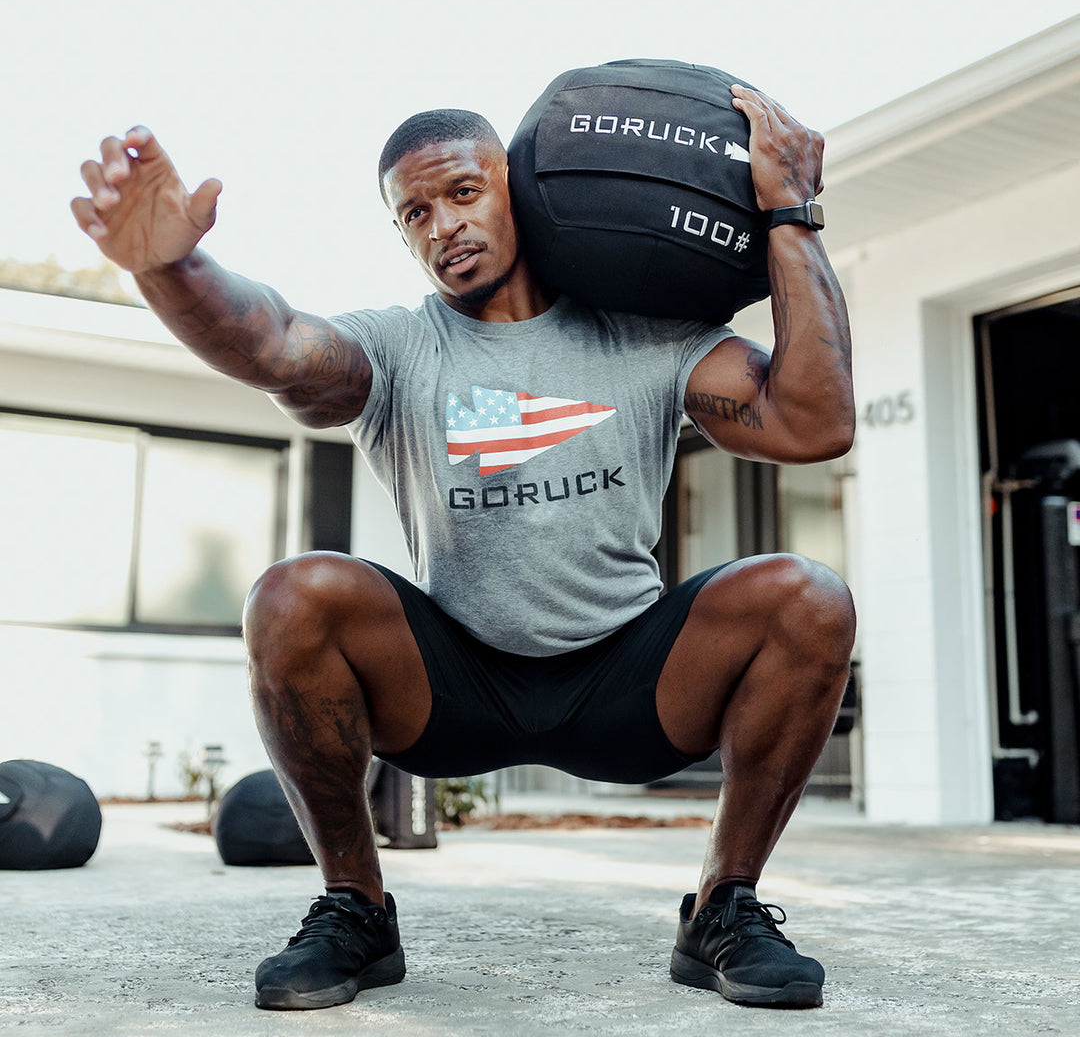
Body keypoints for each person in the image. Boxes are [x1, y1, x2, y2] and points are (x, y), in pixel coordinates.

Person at [71, 82, 856, 1012]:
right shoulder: (399, 349)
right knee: (293, 593)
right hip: (455, 691)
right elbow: (276, 344)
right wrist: (170, 268)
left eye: (462, 192)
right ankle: (356, 907)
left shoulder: (647, 335)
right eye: (415, 212)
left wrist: (790, 214)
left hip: (627, 689)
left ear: (519, 188)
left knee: (808, 595)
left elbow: (815, 424)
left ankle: (724, 906)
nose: (442, 225)